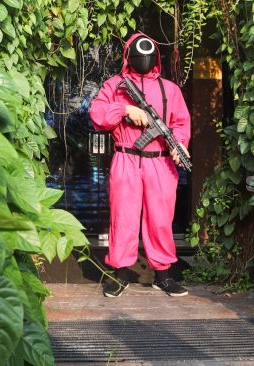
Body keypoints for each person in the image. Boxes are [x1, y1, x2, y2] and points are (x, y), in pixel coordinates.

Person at [89, 32, 191, 297]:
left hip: (160, 162)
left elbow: (180, 123)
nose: (143, 61)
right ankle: (120, 275)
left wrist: (178, 144)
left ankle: (164, 276)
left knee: (160, 221)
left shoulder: (170, 89)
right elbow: (97, 115)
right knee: (123, 218)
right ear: (128, 58)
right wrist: (125, 110)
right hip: (126, 158)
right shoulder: (115, 85)